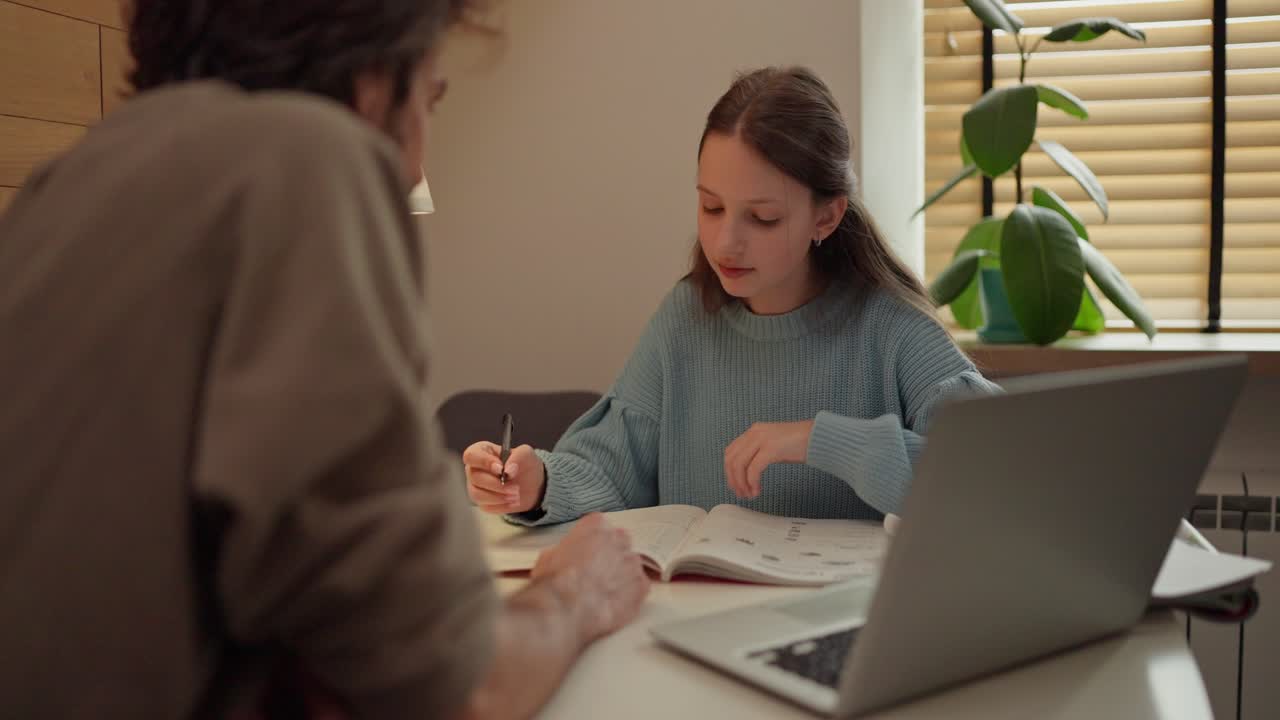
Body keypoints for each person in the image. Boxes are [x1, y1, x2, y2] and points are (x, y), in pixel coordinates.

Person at [0, 2, 648, 718]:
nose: (413, 169)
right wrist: (574, 592)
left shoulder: (59, 187)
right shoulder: (306, 156)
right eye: (430, 99)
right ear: (376, 82)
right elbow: (455, 686)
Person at [465, 66, 1000, 526]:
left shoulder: (891, 330)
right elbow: (611, 466)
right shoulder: (686, 317)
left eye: (762, 218)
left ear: (827, 216)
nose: (725, 242)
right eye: (711, 208)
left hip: (845, 632)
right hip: (691, 625)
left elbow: (1001, 478)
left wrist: (824, 439)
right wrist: (537, 484)